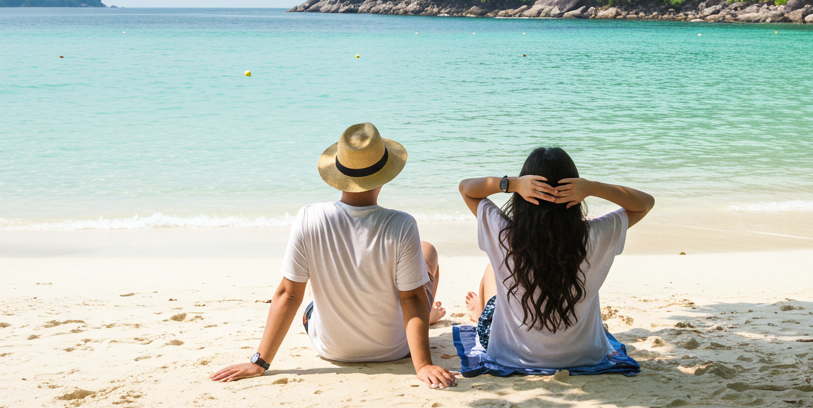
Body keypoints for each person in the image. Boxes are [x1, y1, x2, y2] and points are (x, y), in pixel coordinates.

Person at [210, 122, 457, 388]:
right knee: (428, 251)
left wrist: (259, 362)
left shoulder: (309, 217)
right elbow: (412, 297)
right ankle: (427, 316)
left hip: (330, 348)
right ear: (385, 175)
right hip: (394, 347)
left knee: (311, 296)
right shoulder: (401, 224)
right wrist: (422, 366)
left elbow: (288, 293)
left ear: (339, 172)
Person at [458, 147, 654, 370]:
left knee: (491, 270)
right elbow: (645, 203)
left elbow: (466, 188)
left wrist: (512, 183)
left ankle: (479, 313)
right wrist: (591, 187)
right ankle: (481, 311)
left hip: (510, 354)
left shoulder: (503, 233)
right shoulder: (595, 235)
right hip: (585, 355)